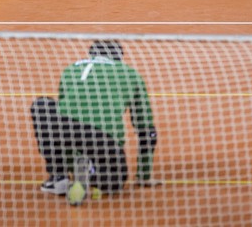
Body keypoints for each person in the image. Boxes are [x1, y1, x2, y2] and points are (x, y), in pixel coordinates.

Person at [31, 39, 160, 206]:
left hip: (66, 134)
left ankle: (59, 176)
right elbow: (146, 129)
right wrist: (144, 175)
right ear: (119, 57)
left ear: (91, 55)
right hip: (105, 141)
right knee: (113, 183)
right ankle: (92, 173)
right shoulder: (131, 74)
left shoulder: (70, 69)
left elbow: (66, 113)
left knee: (43, 106)